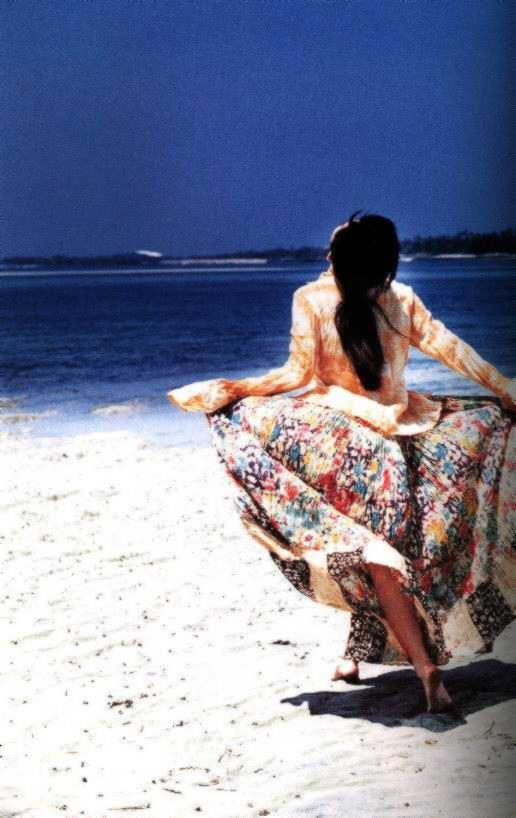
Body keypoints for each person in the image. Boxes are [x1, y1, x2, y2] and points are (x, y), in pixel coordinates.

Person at [167, 212, 515, 713]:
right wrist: (503, 387)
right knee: (380, 551)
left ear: (343, 260)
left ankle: (423, 668)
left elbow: (294, 375)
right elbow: (451, 350)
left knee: (370, 553)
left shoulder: (311, 298)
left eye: (335, 247)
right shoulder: (401, 299)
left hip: (339, 449)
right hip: (400, 441)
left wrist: (234, 390)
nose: (327, 251)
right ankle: (356, 656)